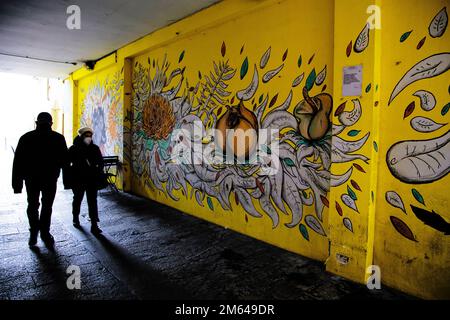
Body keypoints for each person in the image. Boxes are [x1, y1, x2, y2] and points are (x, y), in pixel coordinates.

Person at [12, 112, 69, 247]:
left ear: (36, 123)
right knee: (47, 206)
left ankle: (33, 233)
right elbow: (65, 162)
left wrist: (17, 185)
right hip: (50, 179)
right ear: (51, 123)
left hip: (31, 179)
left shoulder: (26, 138)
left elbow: (18, 163)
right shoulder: (58, 138)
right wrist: (67, 182)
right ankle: (45, 233)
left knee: (32, 205)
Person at [68, 127, 104, 234]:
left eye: (90, 135)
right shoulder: (73, 149)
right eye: (86, 135)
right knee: (77, 199)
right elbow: (67, 164)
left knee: (92, 201)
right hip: (78, 179)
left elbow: (100, 162)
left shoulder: (95, 148)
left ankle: (94, 224)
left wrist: (97, 170)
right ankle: (75, 217)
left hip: (91, 179)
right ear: (81, 136)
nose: (88, 138)